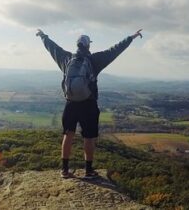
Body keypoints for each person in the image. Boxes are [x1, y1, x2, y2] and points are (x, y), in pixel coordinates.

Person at [36, 28, 143, 179]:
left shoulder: (66, 59)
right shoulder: (94, 60)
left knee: (68, 135)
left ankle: (65, 170)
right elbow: (114, 50)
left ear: (77, 45)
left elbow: (51, 47)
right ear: (88, 46)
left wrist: (42, 35)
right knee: (88, 138)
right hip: (88, 104)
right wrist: (130, 38)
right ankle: (88, 171)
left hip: (70, 104)